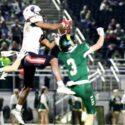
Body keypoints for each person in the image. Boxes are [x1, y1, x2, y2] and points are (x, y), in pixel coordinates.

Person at [0, 4, 74, 124]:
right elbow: (51, 26)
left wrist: (59, 37)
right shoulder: (30, 21)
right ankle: (61, 85)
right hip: (29, 56)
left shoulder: (38, 30)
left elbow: (49, 45)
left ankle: (17, 110)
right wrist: (62, 25)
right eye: (38, 13)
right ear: (31, 14)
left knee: (27, 87)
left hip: (29, 58)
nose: (40, 15)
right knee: (53, 60)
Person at [55, 27, 105, 125]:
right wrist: (102, 34)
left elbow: (61, 46)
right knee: (91, 112)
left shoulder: (62, 55)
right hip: (84, 86)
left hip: (72, 87)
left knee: (84, 106)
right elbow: (99, 44)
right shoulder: (81, 48)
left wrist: (59, 40)